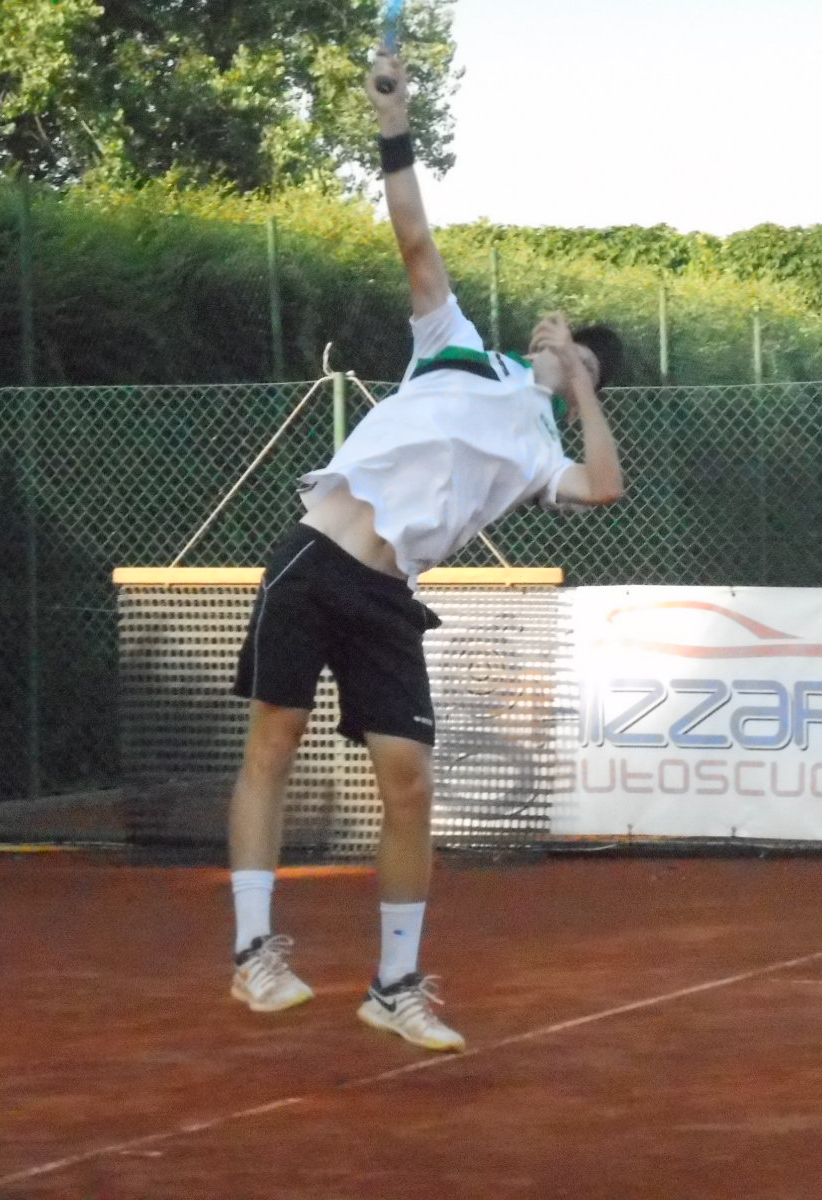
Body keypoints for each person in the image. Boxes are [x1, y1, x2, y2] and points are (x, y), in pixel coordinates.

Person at [223, 47, 626, 1052]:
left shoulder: (542, 455)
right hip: (315, 557)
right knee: (272, 743)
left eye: (580, 358)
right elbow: (413, 235)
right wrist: (394, 119)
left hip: (387, 597)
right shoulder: (455, 344)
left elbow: (605, 486)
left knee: (409, 783)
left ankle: (394, 986)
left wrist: (583, 385)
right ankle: (253, 954)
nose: (562, 352)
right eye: (563, 345)